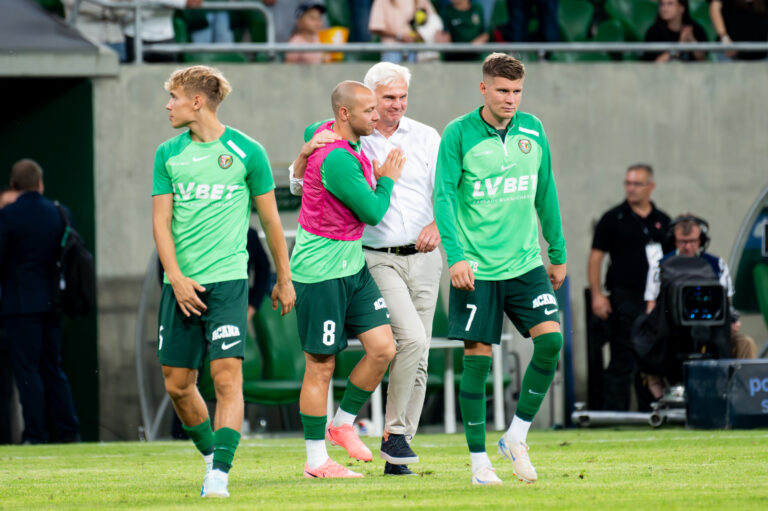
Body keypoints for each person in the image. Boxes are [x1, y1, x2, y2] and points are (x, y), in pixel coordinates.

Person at [290, 62, 442, 476]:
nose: (381, 115)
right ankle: (316, 459)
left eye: (394, 101)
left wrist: (305, 151)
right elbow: (374, 211)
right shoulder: (339, 155)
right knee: (320, 365)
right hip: (324, 270)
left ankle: (343, 424)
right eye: (374, 107)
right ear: (348, 114)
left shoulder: (364, 140)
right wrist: (387, 178)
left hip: (354, 266)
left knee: (385, 348)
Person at [152, 65, 295, 497]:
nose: (168, 105)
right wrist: (174, 278)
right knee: (178, 385)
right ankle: (214, 456)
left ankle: (220, 476)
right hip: (180, 287)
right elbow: (161, 223)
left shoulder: (247, 152)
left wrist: (284, 278)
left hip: (229, 284)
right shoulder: (167, 154)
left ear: (197, 101)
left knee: (228, 378)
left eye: (174, 97)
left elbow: (271, 222)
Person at [434, 53, 567, 486]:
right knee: (478, 363)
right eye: (503, 91)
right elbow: (444, 200)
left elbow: (544, 190)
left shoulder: (533, 128)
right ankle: (478, 465)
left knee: (550, 344)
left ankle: (516, 435)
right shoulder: (457, 134)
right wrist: (454, 257)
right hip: (477, 268)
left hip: (526, 263)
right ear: (484, 89)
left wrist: (558, 251)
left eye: (517, 92)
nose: (511, 99)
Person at [0, 159, 81, 445]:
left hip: (20, 306)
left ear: (14, 185)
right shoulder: (58, 213)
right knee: (52, 368)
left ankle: (36, 433)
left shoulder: (8, 217)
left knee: (27, 370)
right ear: (40, 183)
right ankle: (69, 430)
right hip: (52, 303)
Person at [643, 215, 757, 397]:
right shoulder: (660, 267)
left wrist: (731, 321)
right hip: (671, 335)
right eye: (681, 242)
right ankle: (660, 399)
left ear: (701, 240)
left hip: (712, 334)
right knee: (645, 345)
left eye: (692, 241)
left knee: (746, 344)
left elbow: (726, 305)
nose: (687, 247)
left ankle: (740, 398)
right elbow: (651, 307)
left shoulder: (717, 265)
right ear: (674, 240)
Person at [588, 164, 670, 411]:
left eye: (637, 184)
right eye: (628, 184)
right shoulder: (613, 218)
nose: (631, 189)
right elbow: (595, 258)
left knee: (652, 357)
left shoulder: (663, 221)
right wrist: (597, 295)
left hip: (655, 301)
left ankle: (651, 412)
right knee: (623, 355)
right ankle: (615, 413)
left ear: (650, 187)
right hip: (624, 297)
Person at [122, 0, 202, 63]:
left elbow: (195, 2)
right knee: (135, 78)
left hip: (165, 37)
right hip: (134, 35)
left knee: (169, 80)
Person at [369, 0, 441, 63]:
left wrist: (420, 34)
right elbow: (375, 27)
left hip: (414, 51)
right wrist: (399, 35)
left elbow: (434, 20)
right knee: (392, 77)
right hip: (391, 50)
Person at [643, 0, 708, 62]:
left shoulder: (695, 29)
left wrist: (691, 40)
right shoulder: (653, 32)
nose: (664, 8)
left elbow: (703, 59)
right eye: (662, 4)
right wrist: (679, 46)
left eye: (670, 4)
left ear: (682, 8)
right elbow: (653, 64)